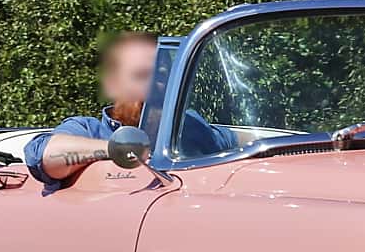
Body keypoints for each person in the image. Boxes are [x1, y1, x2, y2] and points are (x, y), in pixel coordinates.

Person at [24, 31, 232, 192]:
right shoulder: (89, 131)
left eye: (161, 75)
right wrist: (123, 148)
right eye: (141, 75)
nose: (154, 85)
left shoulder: (189, 126)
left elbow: (237, 145)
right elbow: (44, 156)